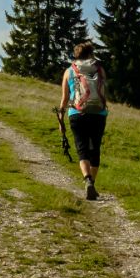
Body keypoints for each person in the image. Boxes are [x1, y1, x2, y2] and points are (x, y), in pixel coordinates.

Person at [58, 41, 108, 200]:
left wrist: (61, 119)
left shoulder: (69, 71)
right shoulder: (100, 69)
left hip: (76, 113)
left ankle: (87, 180)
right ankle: (92, 183)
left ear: (76, 55)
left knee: (82, 149)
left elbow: (65, 98)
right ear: (91, 54)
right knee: (95, 149)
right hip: (99, 114)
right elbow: (103, 92)